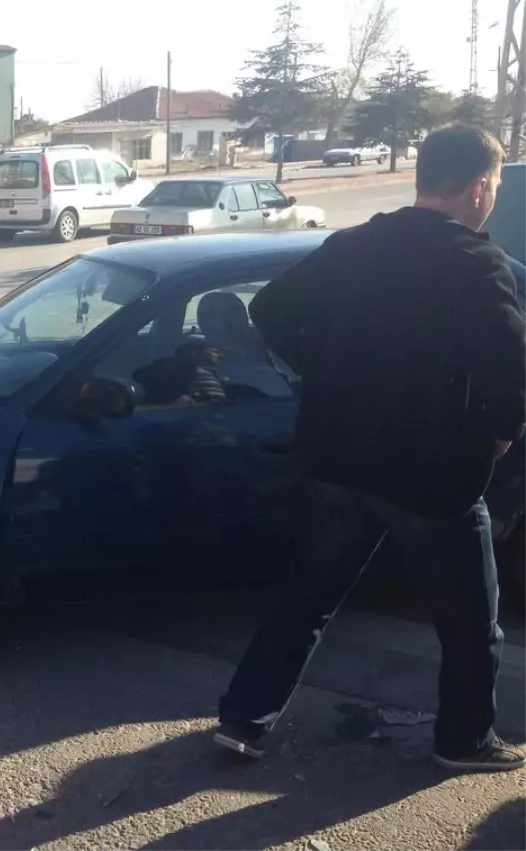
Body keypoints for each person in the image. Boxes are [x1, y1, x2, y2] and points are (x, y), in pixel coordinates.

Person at [215, 123, 526, 772]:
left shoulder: (353, 245)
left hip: (340, 460)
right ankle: (464, 739)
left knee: (308, 598)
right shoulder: (477, 263)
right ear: (475, 188)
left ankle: (244, 718)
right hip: (432, 478)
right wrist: (498, 433)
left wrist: (319, 367)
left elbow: (269, 308)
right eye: (494, 184)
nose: (492, 196)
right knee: (471, 622)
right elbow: (509, 370)